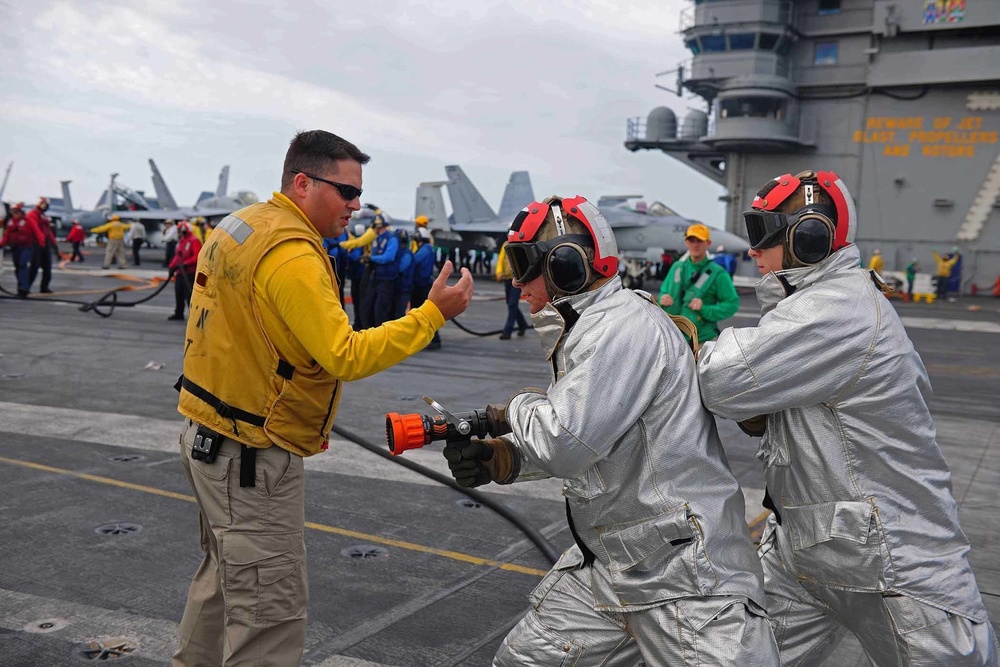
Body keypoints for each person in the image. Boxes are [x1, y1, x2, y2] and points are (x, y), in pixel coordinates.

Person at [172, 129, 473, 667]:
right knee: (269, 615)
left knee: (219, 585)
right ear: (303, 182)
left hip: (205, 437)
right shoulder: (293, 256)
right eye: (346, 192)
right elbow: (345, 355)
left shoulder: (241, 226)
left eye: (359, 195)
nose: (356, 206)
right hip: (250, 458)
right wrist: (431, 316)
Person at [445, 195, 779, 666]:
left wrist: (515, 409)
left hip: (686, 578)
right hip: (616, 564)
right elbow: (596, 442)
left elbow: (565, 442)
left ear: (565, 266)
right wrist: (507, 458)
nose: (515, 281)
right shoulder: (589, 328)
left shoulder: (620, 329)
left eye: (524, 265)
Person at [697, 169, 999, 666]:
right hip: (808, 550)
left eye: (762, 233)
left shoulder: (837, 307)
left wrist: (673, 347)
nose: (752, 250)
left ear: (806, 238)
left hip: (895, 559)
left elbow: (721, 379)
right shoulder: (809, 306)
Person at [657, 223, 740, 344]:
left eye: (700, 241)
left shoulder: (718, 273)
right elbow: (663, 292)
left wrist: (705, 309)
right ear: (686, 242)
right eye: (692, 240)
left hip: (702, 342)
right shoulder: (676, 267)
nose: (695, 245)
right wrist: (662, 299)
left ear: (708, 243)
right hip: (674, 339)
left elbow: (732, 304)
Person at [0, 203, 45, 297]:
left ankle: (24, 287)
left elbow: (37, 232)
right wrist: (1, 245)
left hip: (27, 247)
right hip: (15, 247)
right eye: (13, 212)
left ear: (21, 212)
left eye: (17, 211)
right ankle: (21, 286)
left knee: (22, 264)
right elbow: (7, 235)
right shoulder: (11, 222)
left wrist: (41, 244)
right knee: (17, 267)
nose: (15, 213)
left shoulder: (29, 220)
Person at [364, 214, 399, 327]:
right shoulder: (377, 239)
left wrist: (372, 258)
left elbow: (389, 257)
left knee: (381, 310)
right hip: (376, 278)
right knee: (369, 307)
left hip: (386, 280)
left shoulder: (391, 239)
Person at [411, 226, 441, 349]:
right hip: (421, 285)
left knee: (424, 314)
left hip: (422, 286)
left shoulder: (425, 249)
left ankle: (434, 340)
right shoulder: (427, 249)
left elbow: (414, 261)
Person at [167, 221, 201, 321]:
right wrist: (171, 267)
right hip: (180, 273)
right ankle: (179, 313)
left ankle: (193, 316)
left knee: (189, 295)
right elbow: (178, 256)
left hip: (189, 273)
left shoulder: (194, 241)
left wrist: (186, 264)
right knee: (179, 293)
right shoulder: (182, 241)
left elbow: (197, 256)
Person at [494, 243, 527, 340]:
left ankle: (507, 331)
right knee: (511, 303)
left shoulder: (521, 244)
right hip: (507, 279)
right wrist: (499, 273)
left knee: (512, 304)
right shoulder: (505, 244)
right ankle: (522, 324)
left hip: (517, 280)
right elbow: (501, 259)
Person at [26, 198, 57, 293]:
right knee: (34, 267)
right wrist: (42, 242)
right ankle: (25, 287)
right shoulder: (32, 215)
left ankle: (44, 287)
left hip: (44, 243)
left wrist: (54, 244)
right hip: (35, 243)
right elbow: (36, 229)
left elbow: (48, 231)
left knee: (47, 267)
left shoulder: (43, 216)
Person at [393, 228, 414, 318]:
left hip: (403, 289)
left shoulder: (406, 254)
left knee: (399, 314)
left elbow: (399, 269)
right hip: (398, 288)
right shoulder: (402, 252)